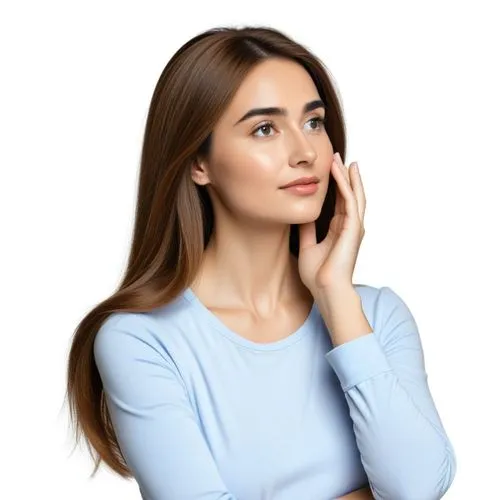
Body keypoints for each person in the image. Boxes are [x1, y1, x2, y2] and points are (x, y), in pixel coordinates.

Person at [65, 25, 457, 499]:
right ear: (198, 163)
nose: (305, 152)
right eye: (265, 129)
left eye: (313, 122)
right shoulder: (143, 340)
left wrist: (337, 300)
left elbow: (418, 488)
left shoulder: (375, 318)